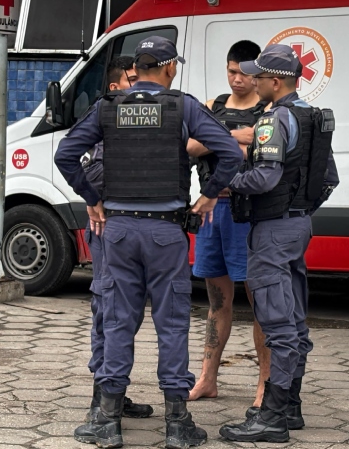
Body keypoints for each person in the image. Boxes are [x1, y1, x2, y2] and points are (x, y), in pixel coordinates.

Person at [54, 36, 243, 449]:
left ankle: (107, 421)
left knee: (118, 321)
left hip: (118, 230)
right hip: (165, 232)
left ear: (136, 69)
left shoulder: (107, 107)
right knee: (171, 323)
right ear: (170, 67)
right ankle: (177, 425)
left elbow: (66, 154)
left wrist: (93, 198)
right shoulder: (184, 106)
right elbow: (231, 152)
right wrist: (209, 195)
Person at [218, 44, 339, 443]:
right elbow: (327, 179)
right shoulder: (314, 117)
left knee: (278, 323)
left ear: (274, 81)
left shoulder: (273, 120)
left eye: (257, 76)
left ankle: (270, 418)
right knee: (294, 316)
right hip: (298, 226)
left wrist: (226, 182)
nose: (251, 80)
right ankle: (291, 408)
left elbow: (264, 179)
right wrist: (300, 207)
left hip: (271, 229)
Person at [186, 40, 272, 412]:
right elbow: (189, 146)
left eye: (243, 73)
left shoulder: (269, 109)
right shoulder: (212, 106)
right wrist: (234, 138)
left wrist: (218, 138)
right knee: (216, 301)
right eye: (231, 71)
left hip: (249, 213)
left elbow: (259, 145)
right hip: (211, 211)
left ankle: (266, 386)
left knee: (261, 303)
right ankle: (207, 380)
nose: (236, 79)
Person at [79, 56, 152, 438]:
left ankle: (114, 392)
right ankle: (101, 401)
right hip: (109, 229)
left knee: (129, 315)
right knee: (109, 312)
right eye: (134, 79)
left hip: (133, 232)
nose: (142, 86)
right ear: (115, 87)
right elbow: (89, 169)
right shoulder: (107, 118)